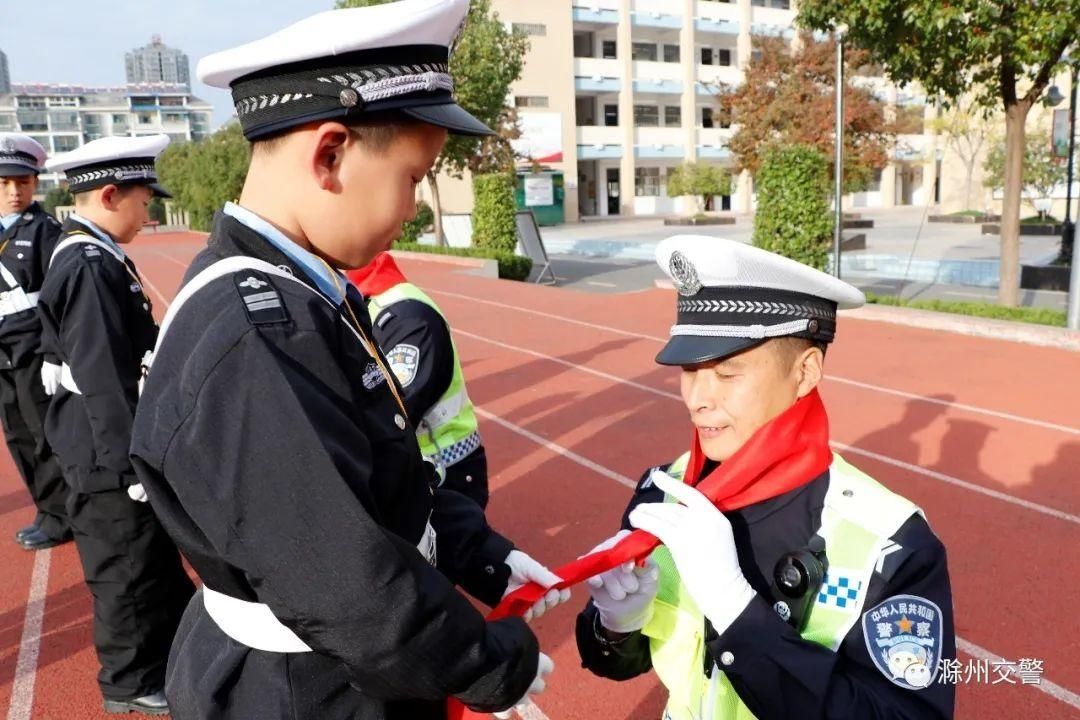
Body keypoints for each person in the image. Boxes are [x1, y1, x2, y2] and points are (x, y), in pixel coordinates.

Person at [129, 2, 565, 718]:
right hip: (308, 690)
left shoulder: (301, 290)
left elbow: (381, 481)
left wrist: (484, 554)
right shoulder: (257, 333)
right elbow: (346, 582)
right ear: (330, 155)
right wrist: (491, 665)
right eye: (413, 175)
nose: (415, 207)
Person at [576, 235, 956, 719]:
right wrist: (615, 625)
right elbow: (613, 662)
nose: (698, 398)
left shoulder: (887, 543)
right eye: (690, 370)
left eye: (728, 373)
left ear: (805, 372)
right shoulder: (667, 491)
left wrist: (740, 616)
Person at [37, 134, 196, 715]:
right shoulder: (85, 264)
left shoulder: (96, 254)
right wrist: (131, 461)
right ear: (110, 194)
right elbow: (103, 376)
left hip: (107, 442)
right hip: (104, 451)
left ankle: (166, 660)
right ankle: (128, 682)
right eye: (143, 198)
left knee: (150, 563)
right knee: (125, 571)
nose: (148, 211)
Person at [349, 251, 490, 507]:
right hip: (422, 464)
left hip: (445, 468)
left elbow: (397, 409)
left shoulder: (406, 318)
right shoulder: (368, 303)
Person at [0, 133, 72, 550]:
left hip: (32, 352)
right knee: (17, 436)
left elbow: (57, 298)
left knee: (44, 435)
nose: (14, 192)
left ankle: (60, 515)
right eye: (5, 183)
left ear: (34, 184)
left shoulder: (45, 232)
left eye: (22, 183)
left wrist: (53, 353)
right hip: (2, 354)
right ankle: (47, 509)